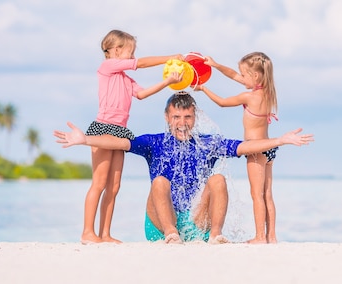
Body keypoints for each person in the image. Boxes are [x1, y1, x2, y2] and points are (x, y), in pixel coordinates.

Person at [54, 92, 314, 244]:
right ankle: (171, 234)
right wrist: (85, 140)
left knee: (218, 179)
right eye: (176, 117)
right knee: (159, 182)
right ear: (167, 118)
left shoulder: (206, 143)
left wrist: (280, 140)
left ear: (195, 117)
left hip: (197, 222)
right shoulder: (153, 142)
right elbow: (120, 142)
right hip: (159, 225)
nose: (182, 122)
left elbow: (244, 147)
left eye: (187, 117)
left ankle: (215, 236)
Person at [82, 29, 184, 244]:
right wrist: (170, 58)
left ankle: (105, 234)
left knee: (114, 186)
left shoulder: (125, 79)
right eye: (130, 52)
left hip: (120, 130)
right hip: (103, 127)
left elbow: (141, 94)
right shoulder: (107, 67)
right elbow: (141, 63)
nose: (132, 56)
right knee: (99, 183)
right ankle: (87, 233)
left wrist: (167, 82)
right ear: (116, 50)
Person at [194, 52, 281, 244]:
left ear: (256, 76)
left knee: (256, 194)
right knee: (267, 194)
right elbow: (233, 75)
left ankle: (259, 236)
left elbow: (222, 103)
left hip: (255, 149)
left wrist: (204, 89)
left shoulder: (249, 97)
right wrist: (215, 65)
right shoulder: (268, 92)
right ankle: (271, 236)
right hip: (269, 149)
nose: (241, 78)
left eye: (245, 75)